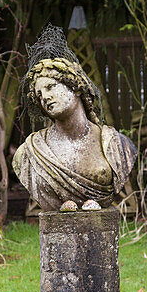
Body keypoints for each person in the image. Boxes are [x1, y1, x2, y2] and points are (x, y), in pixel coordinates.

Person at [13, 55, 136, 212]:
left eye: (50, 87)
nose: (45, 97)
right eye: (39, 94)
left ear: (76, 88)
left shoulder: (118, 145)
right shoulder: (28, 154)